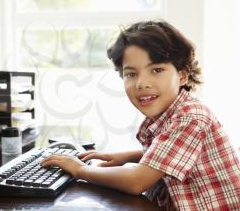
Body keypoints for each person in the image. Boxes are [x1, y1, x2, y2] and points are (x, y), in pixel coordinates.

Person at [41, 20, 240, 210]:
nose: (141, 83)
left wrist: (79, 169)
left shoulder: (191, 118)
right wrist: (128, 156)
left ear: (182, 75)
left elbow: (137, 182)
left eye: (157, 70)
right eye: (131, 74)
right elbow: (170, 154)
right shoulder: (170, 115)